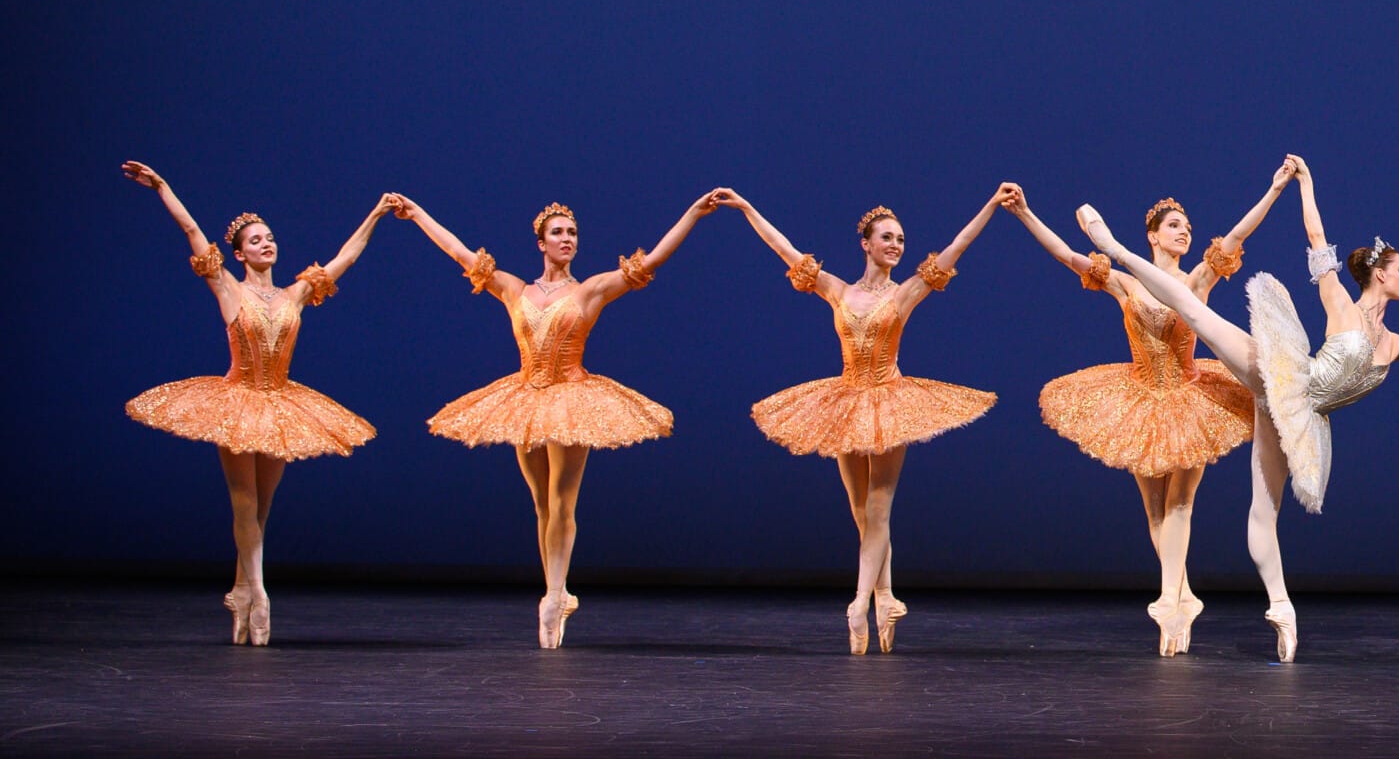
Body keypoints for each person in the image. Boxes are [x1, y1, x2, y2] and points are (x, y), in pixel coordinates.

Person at [1072, 156, 1399, 661]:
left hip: (1299, 416)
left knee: (1264, 513)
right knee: (1193, 308)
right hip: (1284, 373)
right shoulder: (1341, 303)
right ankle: (1114, 247)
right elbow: (1317, 236)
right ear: (1379, 274)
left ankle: (1282, 609)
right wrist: (1304, 184)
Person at [397, 190, 719, 647]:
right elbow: (458, 251)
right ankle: (558, 592)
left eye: (572, 233)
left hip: (571, 398)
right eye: (558, 233)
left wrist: (692, 213)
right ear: (541, 242)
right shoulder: (514, 289)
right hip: (526, 398)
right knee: (542, 503)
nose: (567, 239)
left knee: (562, 500)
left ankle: (551, 596)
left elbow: (652, 260)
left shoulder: (589, 290)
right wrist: (417, 214)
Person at [1001, 164, 1292, 655]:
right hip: (1138, 399)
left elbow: (1240, 232)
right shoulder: (1125, 282)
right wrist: (1027, 213)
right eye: (1176, 225)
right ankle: (1183, 595)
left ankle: (1168, 603)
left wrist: (1275, 188)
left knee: (1181, 499)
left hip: (1190, 397)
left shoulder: (1197, 279)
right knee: (1154, 510)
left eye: (1188, 227)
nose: (1186, 232)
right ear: (1153, 235)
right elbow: (1066, 254)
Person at [720, 185, 1006, 654]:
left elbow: (957, 247)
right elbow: (784, 250)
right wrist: (750, 207)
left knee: (878, 506)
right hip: (846, 401)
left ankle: (859, 603)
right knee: (861, 512)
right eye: (887, 238)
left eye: (900, 239)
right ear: (866, 244)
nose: (896, 245)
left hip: (890, 401)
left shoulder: (907, 292)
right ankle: (887, 597)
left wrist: (991, 205)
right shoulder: (838, 290)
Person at [120, 162, 394, 646]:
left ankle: (241, 589)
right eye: (256, 240)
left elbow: (346, 258)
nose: (267, 244)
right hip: (237, 399)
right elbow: (191, 230)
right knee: (243, 500)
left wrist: (374, 214)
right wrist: (163, 186)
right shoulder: (228, 288)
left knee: (262, 507)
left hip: (282, 402)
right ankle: (261, 593)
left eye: (270, 238)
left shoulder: (296, 293)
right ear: (240, 253)